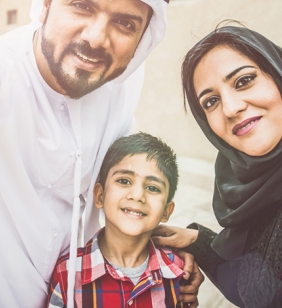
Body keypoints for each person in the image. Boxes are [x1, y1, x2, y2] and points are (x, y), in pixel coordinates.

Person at [0, 0, 203, 307]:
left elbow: (124, 190)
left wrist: (164, 259)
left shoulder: (116, 90)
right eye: (80, 5)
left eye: (125, 24)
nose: (96, 38)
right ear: (46, 1)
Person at [152, 24, 282, 307]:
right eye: (211, 101)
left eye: (243, 81)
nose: (230, 108)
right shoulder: (249, 194)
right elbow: (261, 291)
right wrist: (196, 240)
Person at [47, 132, 191, 308]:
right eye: (124, 181)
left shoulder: (177, 272)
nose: (137, 195)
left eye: (152, 187)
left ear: (166, 211)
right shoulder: (68, 273)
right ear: (100, 195)